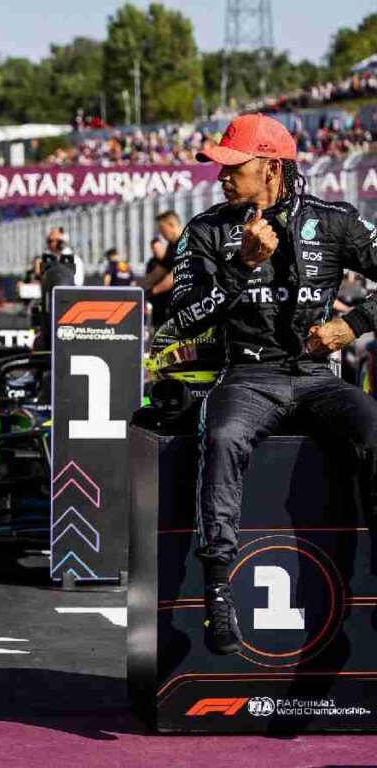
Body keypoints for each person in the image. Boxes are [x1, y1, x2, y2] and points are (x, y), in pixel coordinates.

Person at [170, 112, 377, 656]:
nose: (221, 175)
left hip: (317, 379)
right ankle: (217, 589)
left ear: (273, 168)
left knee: (375, 429)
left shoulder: (332, 221)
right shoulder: (207, 230)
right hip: (247, 376)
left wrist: (352, 324)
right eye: (220, 165)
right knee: (222, 437)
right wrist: (240, 267)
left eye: (234, 166)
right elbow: (182, 321)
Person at [145, 210, 182, 327]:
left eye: (162, 228)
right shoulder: (172, 245)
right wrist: (141, 288)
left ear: (171, 224)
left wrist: (152, 291)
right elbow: (162, 269)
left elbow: (176, 275)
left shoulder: (187, 242)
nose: (161, 233)